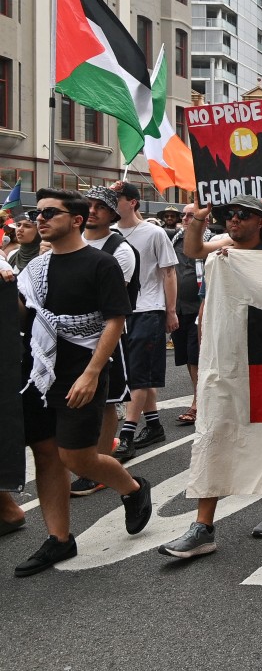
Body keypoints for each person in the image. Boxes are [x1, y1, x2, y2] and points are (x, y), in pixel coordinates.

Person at [158, 194, 262, 560]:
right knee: (213, 431)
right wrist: (199, 219)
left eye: (242, 215)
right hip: (225, 358)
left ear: (260, 222)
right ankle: (202, 526)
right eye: (229, 215)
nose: (233, 220)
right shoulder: (220, 251)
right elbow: (192, 249)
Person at [14, 188, 152, 576]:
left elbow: (114, 320)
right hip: (38, 373)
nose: (40, 219)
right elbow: (25, 311)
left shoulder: (101, 264)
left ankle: (134, 488)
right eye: (37, 213)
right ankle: (59, 539)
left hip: (81, 371)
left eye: (50, 213)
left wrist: (92, 373)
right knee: (45, 454)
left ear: (75, 220)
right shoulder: (35, 268)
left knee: (77, 458)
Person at [69, 187, 137, 497]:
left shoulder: (119, 249)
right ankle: (89, 453)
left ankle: (101, 464)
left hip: (103, 336)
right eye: (88, 205)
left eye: (100, 206)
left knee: (108, 399)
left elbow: (108, 299)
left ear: (112, 214)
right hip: (66, 336)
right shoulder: (72, 242)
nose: (93, 210)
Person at [108, 182, 177, 462]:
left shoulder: (154, 232)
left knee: (136, 372)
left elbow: (168, 273)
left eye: (116, 199)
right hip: (117, 312)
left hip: (149, 307)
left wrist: (170, 310)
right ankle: (155, 425)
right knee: (138, 371)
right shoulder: (107, 234)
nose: (110, 204)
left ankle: (126, 434)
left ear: (133, 202)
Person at [170, 203, 209, 426]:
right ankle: (199, 396)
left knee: (197, 356)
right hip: (180, 308)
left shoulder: (214, 239)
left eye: (190, 215)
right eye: (183, 215)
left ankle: (198, 403)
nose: (184, 219)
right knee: (187, 356)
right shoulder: (173, 239)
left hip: (201, 307)